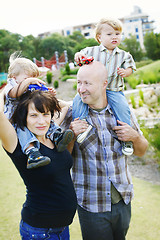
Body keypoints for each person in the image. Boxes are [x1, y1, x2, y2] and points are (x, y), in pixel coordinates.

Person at [61, 61, 148, 240]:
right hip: (91, 205)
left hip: (123, 200)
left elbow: (141, 150)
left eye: (87, 83)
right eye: (79, 82)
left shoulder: (122, 112)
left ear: (104, 84)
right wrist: (70, 135)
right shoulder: (72, 115)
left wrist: (135, 137)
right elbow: (61, 161)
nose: (81, 89)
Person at [0, 89, 77, 239]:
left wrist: (40, 92)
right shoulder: (16, 143)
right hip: (40, 231)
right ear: (25, 117)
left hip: (62, 228)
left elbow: (65, 106)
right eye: (33, 115)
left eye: (45, 114)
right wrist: (13, 89)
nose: (41, 121)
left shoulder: (51, 135)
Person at [74, 17, 136, 155]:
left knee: (123, 108)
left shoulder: (124, 55)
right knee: (78, 101)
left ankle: (126, 139)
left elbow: (131, 68)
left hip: (113, 89)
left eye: (117, 34)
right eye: (109, 34)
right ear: (99, 37)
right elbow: (80, 55)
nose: (114, 37)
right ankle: (82, 127)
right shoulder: (92, 51)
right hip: (93, 89)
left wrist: (126, 72)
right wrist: (78, 55)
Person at [4, 52, 74, 169]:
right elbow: (13, 94)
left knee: (46, 119)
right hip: (16, 122)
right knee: (23, 131)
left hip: (29, 118)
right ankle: (32, 154)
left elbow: (40, 101)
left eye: (34, 78)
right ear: (14, 78)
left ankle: (56, 136)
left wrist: (47, 94)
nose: (32, 81)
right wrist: (28, 82)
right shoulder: (10, 87)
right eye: (27, 78)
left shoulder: (28, 89)